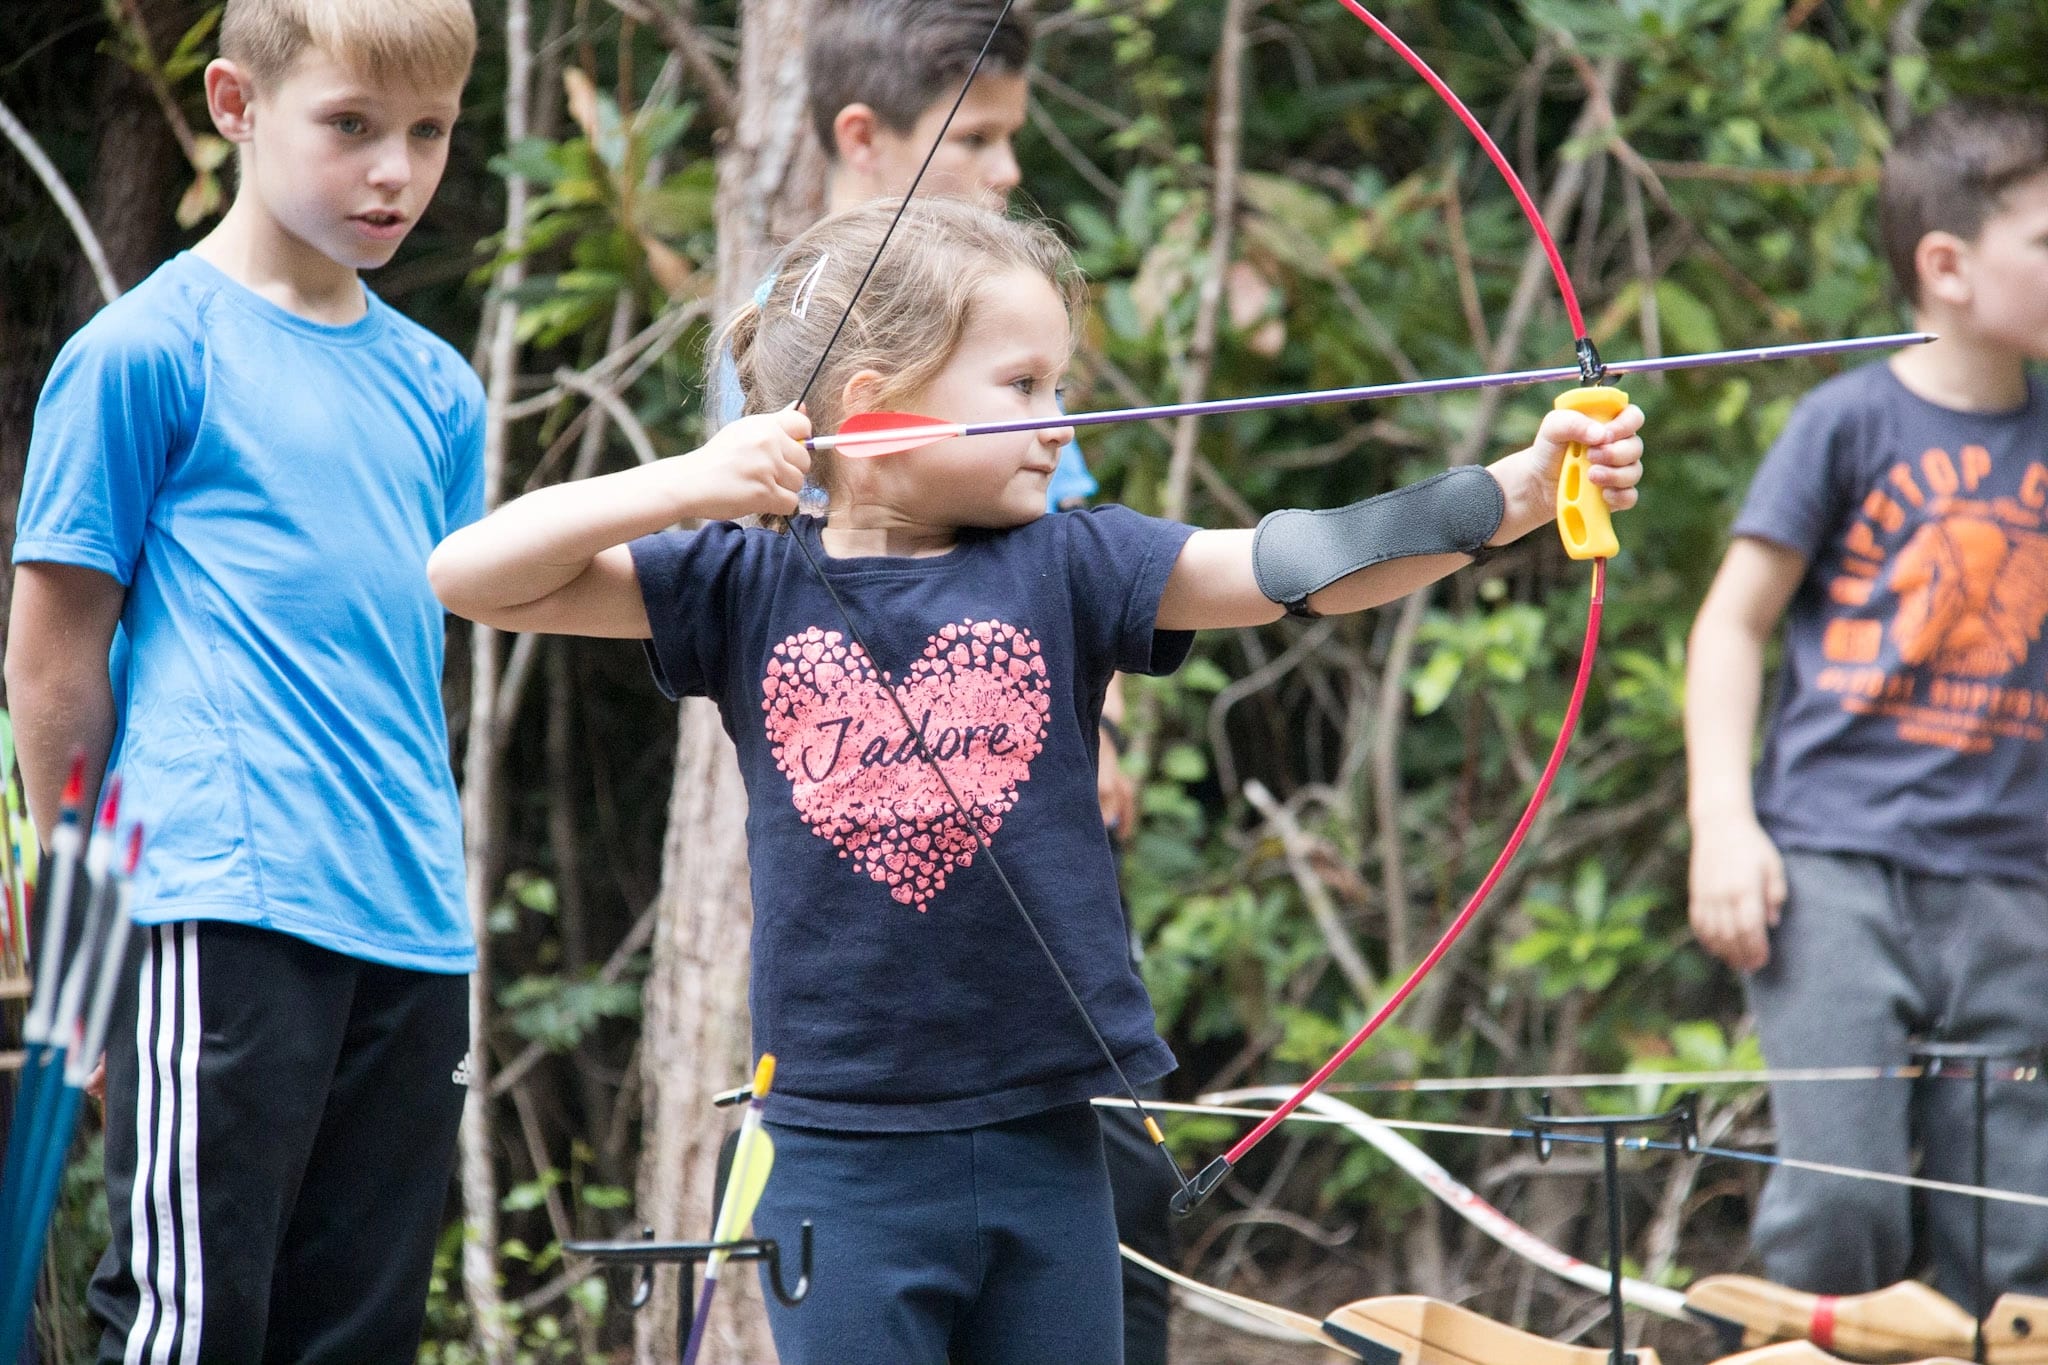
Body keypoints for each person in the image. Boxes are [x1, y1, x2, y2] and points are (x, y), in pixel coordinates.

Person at [429, 195, 1645, 1364]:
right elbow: (471, 575)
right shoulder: (736, 584)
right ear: (875, 410)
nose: (1060, 420)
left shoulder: (1073, 560)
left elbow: (1296, 564)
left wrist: (1514, 494)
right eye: (1020, 388)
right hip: (839, 1154)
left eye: (1058, 384)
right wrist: (686, 484)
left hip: (1048, 1133)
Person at [5, 0, 484, 1357]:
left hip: (409, 925)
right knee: (188, 1324)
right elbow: (50, 666)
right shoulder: (144, 354)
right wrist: (82, 951)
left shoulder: (442, 391)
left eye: (429, 132)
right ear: (234, 104)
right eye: (351, 126)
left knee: (361, 1332)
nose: (395, 171)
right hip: (216, 906)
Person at [1684, 97, 2048, 1304]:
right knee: (1839, 1204)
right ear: (1944, 267)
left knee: (2012, 1236)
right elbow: (1730, 625)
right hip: (1830, 869)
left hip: (2013, 883)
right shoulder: (1842, 421)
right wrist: (1723, 827)